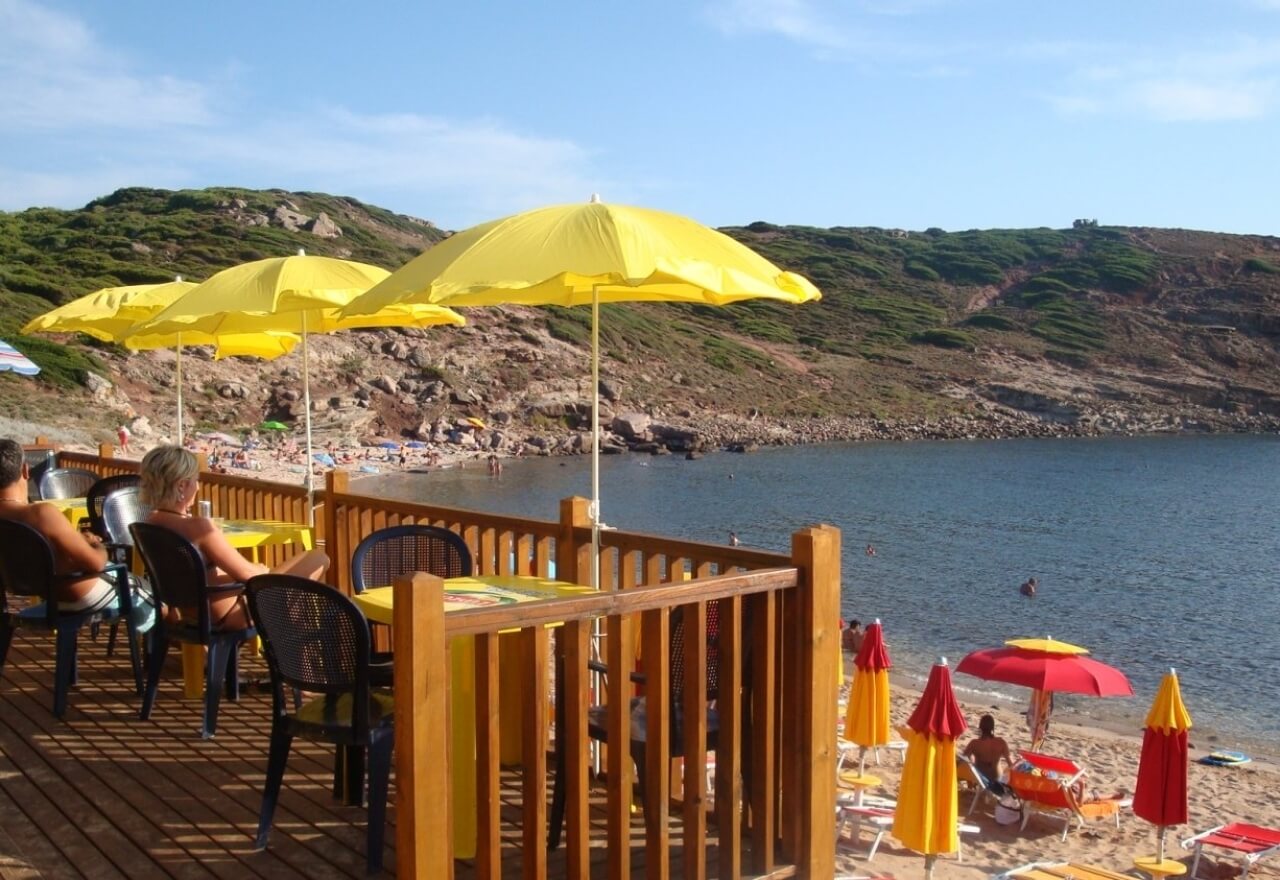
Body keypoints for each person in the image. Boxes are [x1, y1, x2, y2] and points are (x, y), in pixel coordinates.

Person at [140, 445, 329, 631]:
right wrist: (260, 568)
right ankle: (292, 639)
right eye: (195, 480)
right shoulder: (198, 527)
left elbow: (189, 575)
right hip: (228, 614)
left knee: (283, 583)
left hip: (186, 612)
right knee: (317, 558)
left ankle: (289, 634)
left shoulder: (149, 523)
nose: (197, 487)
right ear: (182, 485)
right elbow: (248, 574)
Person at [0, 438, 149, 616]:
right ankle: (163, 628)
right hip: (77, 592)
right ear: (25, 471)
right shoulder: (41, 514)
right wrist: (96, 544)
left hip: (44, 593)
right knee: (150, 596)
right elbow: (96, 563)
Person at [963, 714, 1014, 794]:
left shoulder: (974, 743)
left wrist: (972, 762)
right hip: (997, 780)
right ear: (992, 728)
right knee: (1008, 768)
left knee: (967, 763)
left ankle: (970, 787)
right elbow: (1011, 764)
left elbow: (964, 761)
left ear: (980, 727)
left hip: (980, 780)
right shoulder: (1001, 742)